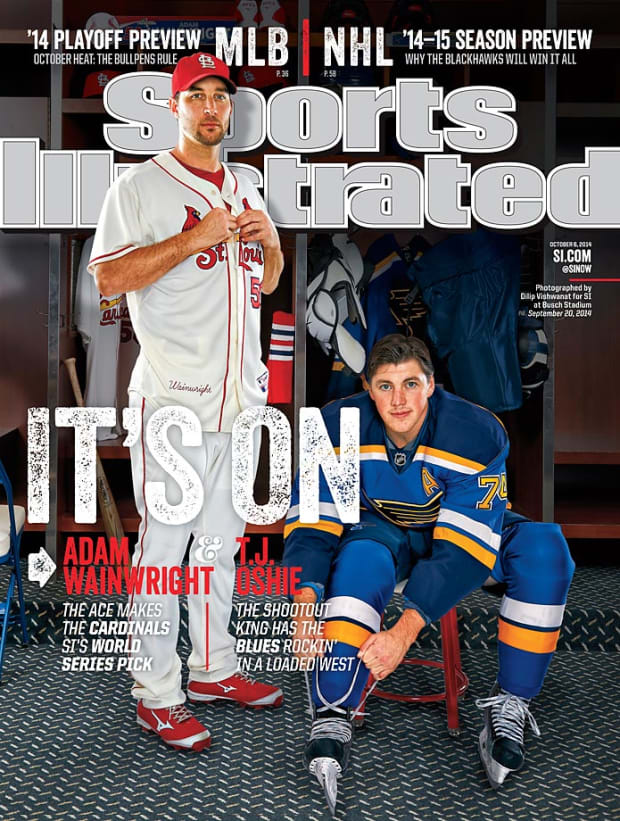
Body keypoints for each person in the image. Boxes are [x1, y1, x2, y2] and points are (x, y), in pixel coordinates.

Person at [283, 333, 574, 807]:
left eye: (411, 383)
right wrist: (303, 603)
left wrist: (403, 632)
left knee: (545, 551)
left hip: (460, 536)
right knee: (359, 560)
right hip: (384, 533)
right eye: (385, 386)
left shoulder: (474, 431)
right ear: (367, 387)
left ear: (432, 385)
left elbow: (462, 551)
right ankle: (333, 709)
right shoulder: (336, 425)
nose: (399, 399)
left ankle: (512, 700)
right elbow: (313, 524)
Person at [89, 52, 285, 752]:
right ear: (174, 107)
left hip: (238, 401)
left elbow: (264, 282)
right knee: (166, 548)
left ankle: (212, 667)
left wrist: (272, 247)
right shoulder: (140, 185)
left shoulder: (245, 183)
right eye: (195, 96)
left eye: (220, 97)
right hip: (172, 400)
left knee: (222, 544)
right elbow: (109, 280)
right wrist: (192, 237)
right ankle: (157, 691)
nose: (210, 108)